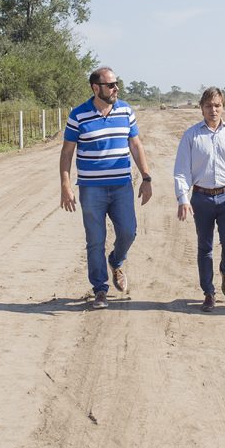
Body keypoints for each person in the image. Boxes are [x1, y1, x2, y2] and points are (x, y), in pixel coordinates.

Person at [60, 67, 153, 309]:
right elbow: (67, 152)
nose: (116, 88)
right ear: (95, 88)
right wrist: (65, 185)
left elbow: (135, 145)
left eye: (116, 83)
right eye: (111, 84)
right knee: (95, 240)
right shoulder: (78, 115)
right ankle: (100, 289)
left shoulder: (125, 111)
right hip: (91, 190)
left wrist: (146, 177)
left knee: (129, 232)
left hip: (122, 186)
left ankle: (116, 260)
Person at [173, 86, 225, 312]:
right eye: (208, 106)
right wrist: (182, 198)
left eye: (217, 105)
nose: (213, 110)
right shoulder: (191, 135)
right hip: (201, 199)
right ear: (201, 108)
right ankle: (208, 292)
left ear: (223, 107)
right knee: (204, 247)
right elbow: (181, 170)